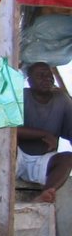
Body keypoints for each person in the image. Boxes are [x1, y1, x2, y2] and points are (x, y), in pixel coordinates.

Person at [17, 62, 72, 204]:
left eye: (49, 75)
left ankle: (45, 194)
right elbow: (9, 130)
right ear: (29, 81)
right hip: (17, 157)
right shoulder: (21, 96)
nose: (47, 79)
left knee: (68, 159)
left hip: (44, 160)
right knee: (1, 148)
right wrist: (44, 134)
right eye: (41, 75)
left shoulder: (62, 100)